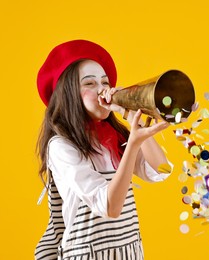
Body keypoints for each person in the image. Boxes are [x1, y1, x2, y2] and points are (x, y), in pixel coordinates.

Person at [34, 39, 171, 260]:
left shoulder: (113, 138)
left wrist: (135, 123)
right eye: (89, 83)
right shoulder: (61, 147)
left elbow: (161, 171)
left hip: (128, 251)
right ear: (68, 94)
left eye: (105, 82)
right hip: (89, 254)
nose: (103, 90)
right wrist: (134, 143)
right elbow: (110, 207)